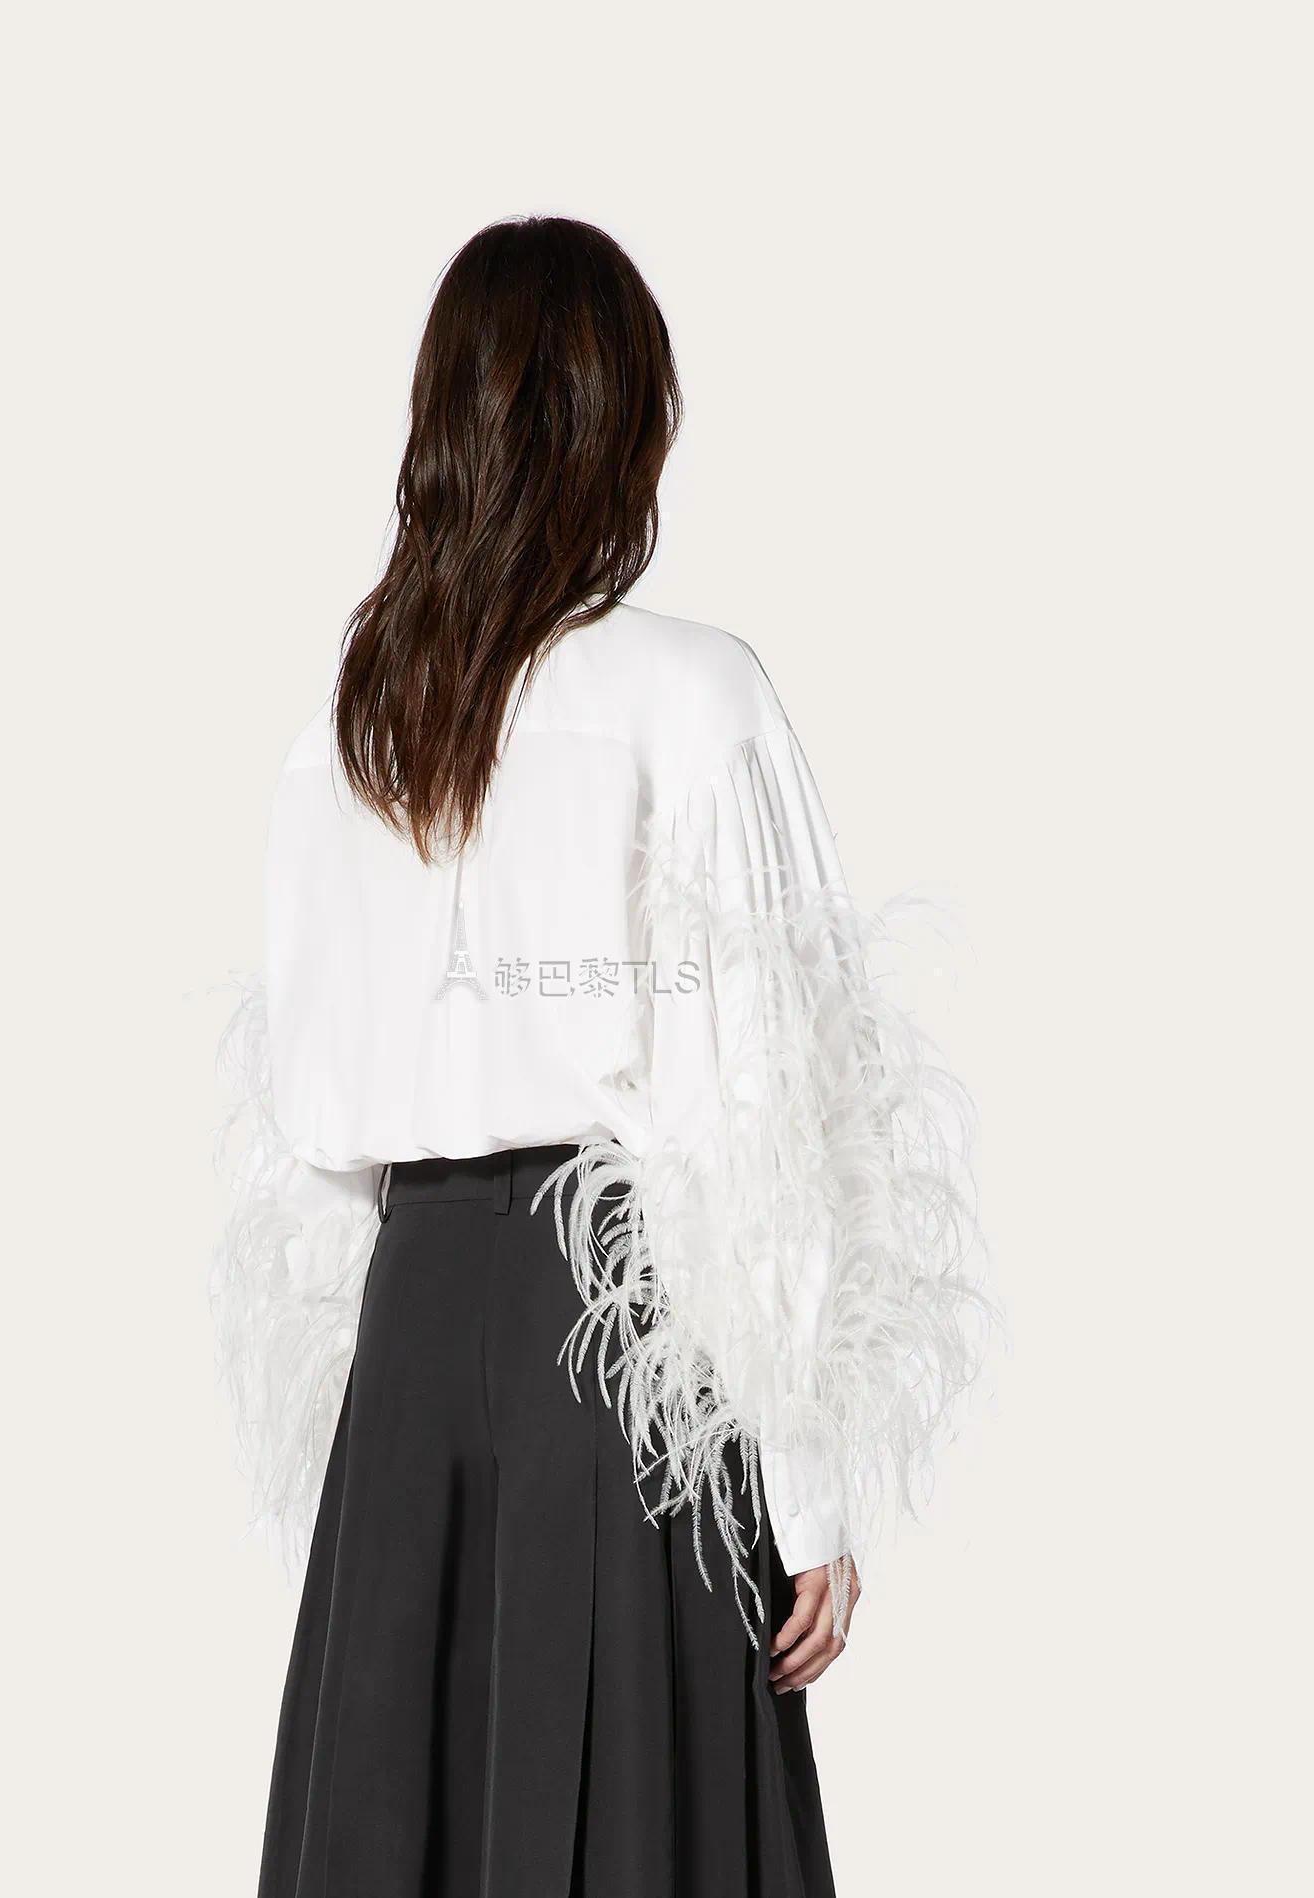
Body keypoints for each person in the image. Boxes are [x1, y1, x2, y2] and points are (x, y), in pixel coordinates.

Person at [216, 216, 985, 1897]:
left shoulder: (352, 730)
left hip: (411, 1337)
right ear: (626, 422)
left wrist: (397, 1409)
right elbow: (760, 1109)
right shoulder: (690, 692)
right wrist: (808, 1489)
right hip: (617, 1327)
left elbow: (316, 1132)